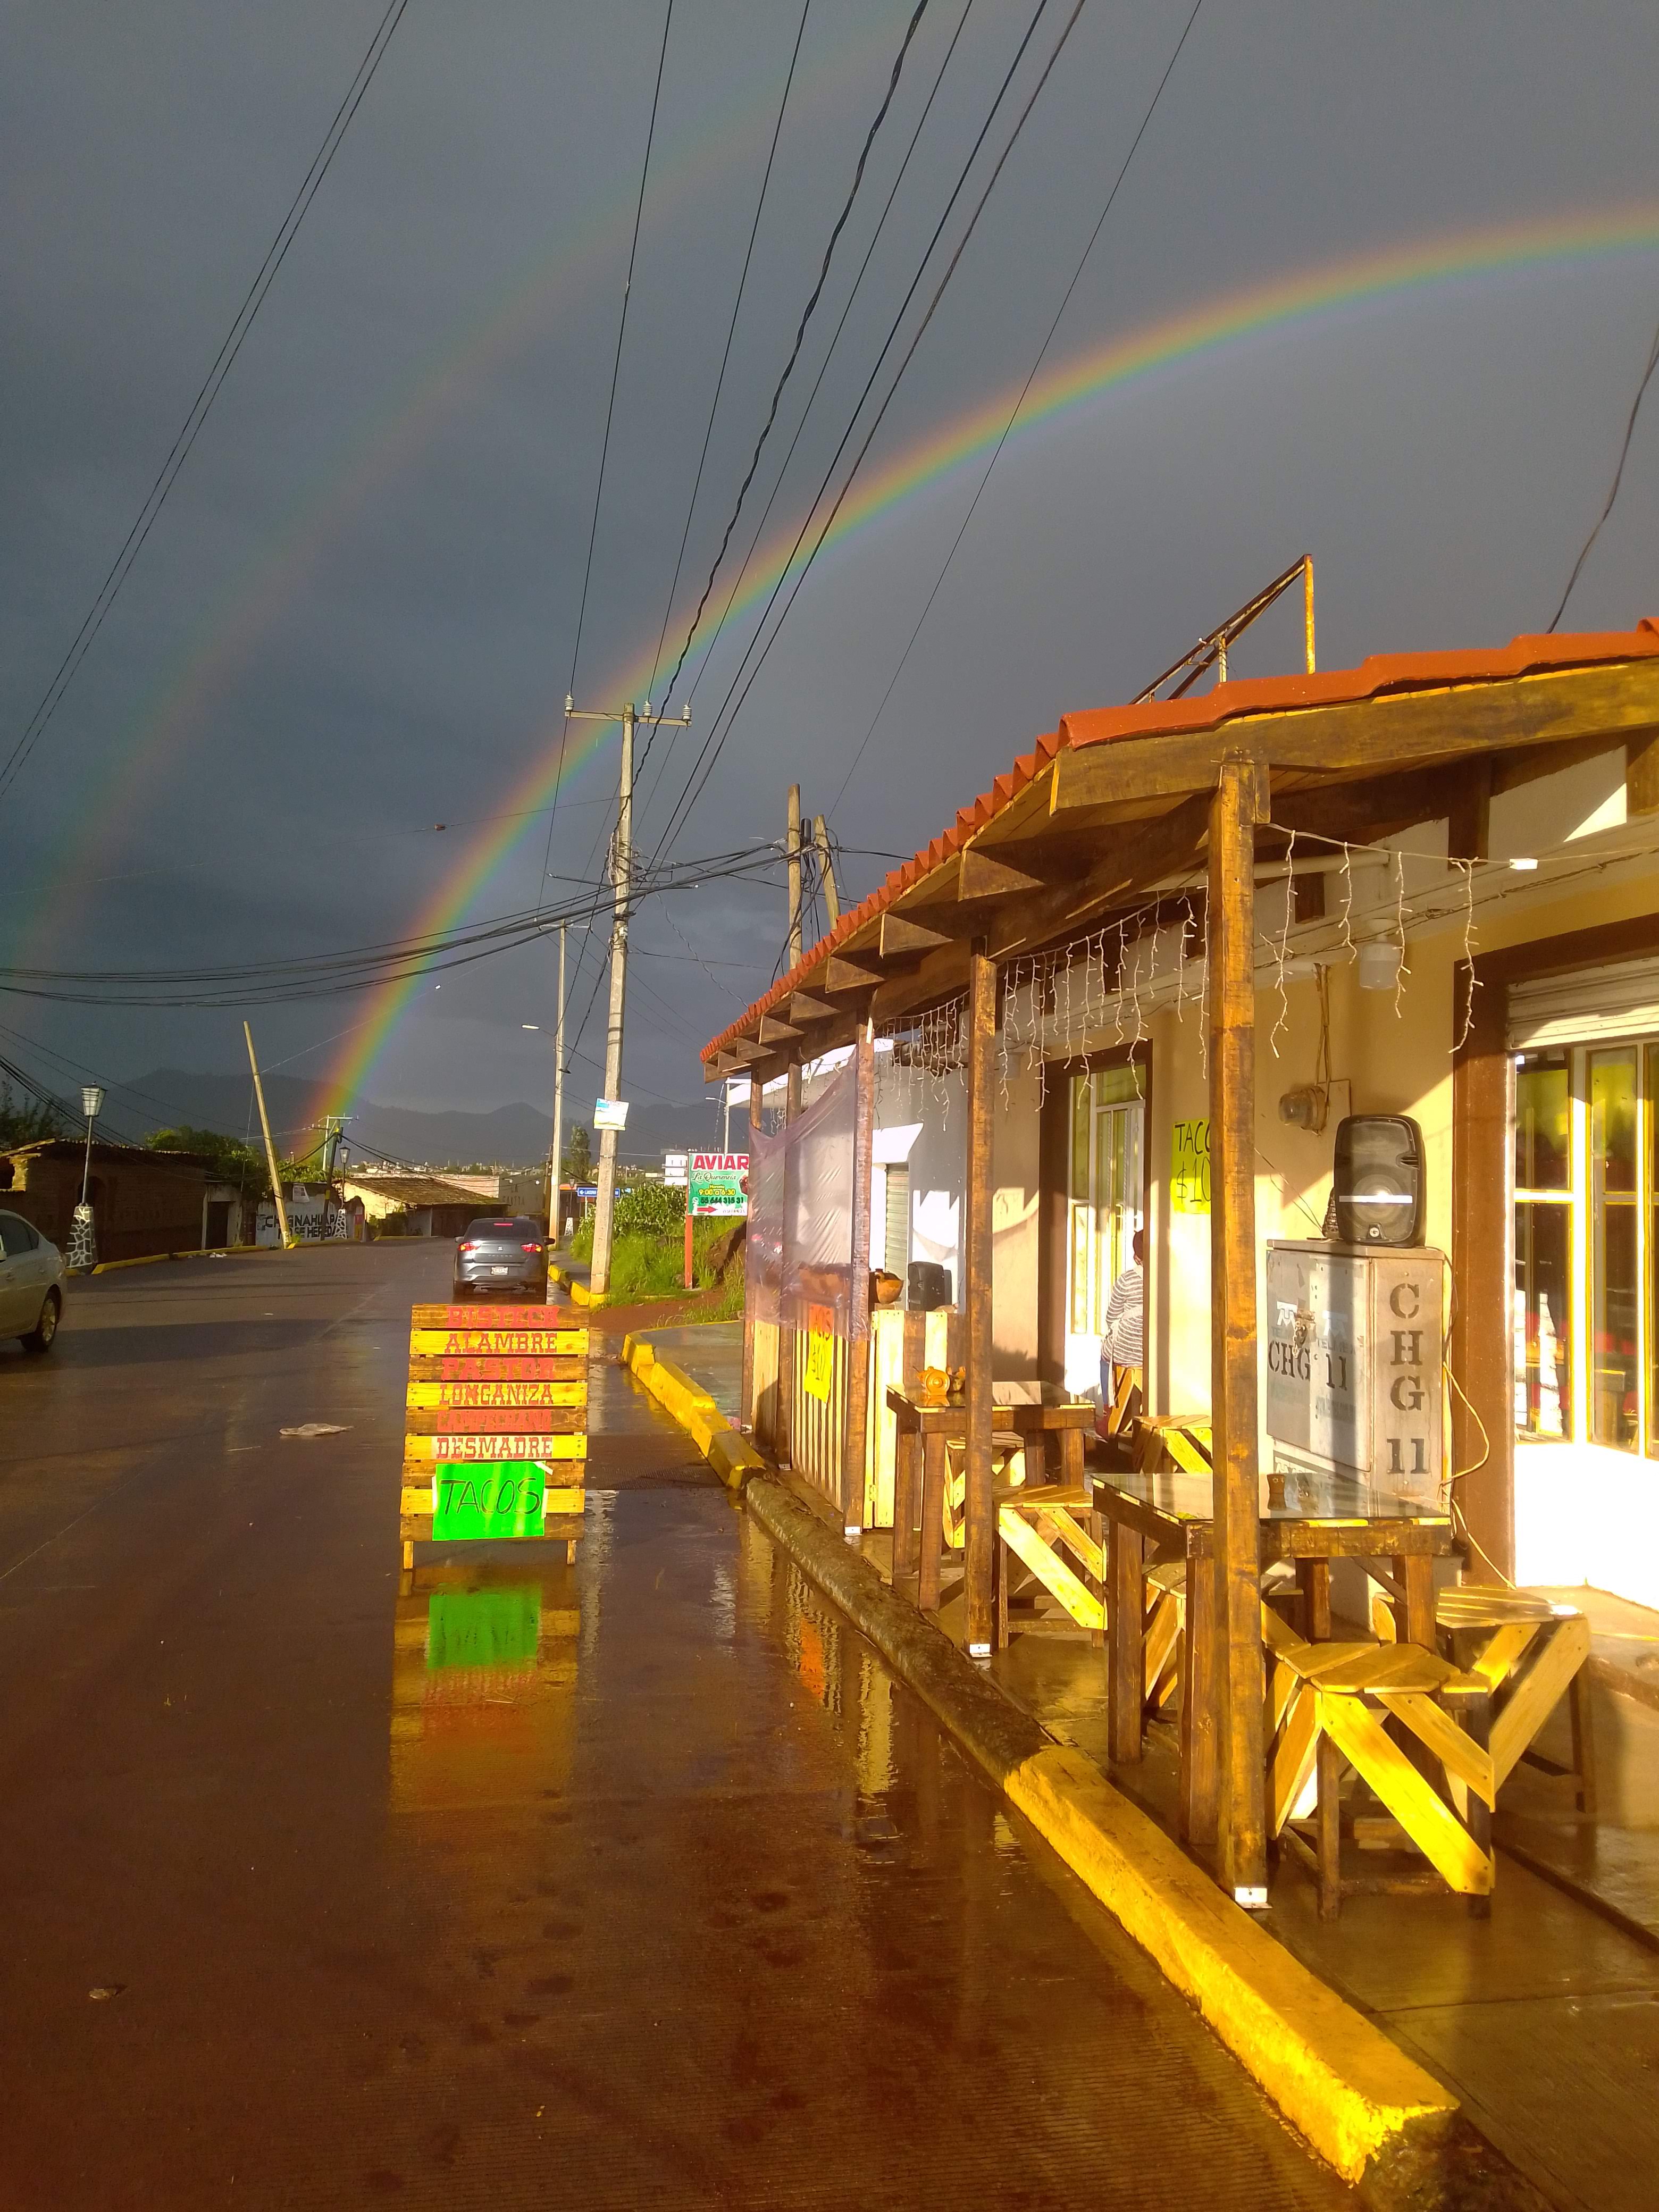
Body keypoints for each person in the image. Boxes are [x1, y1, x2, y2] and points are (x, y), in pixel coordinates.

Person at [1096, 1229, 1145, 1441]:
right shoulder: (1167, 1279)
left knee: (1106, 1354)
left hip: (1127, 1352)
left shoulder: (1127, 1280)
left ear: (1137, 1257)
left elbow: (1111, 1317)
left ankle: (1110, 1412)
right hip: (1152, 1354)